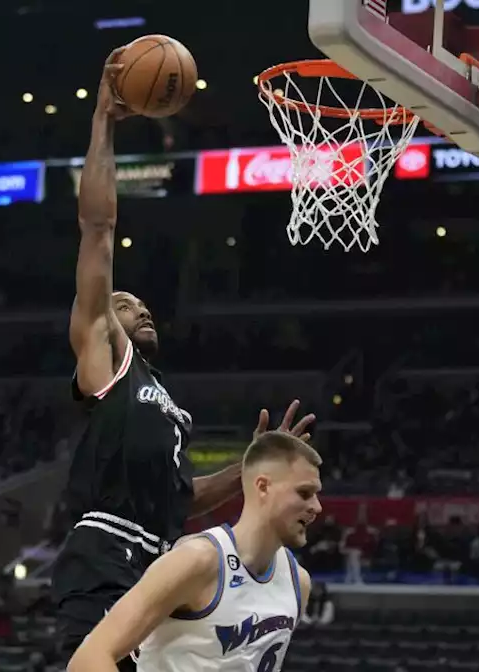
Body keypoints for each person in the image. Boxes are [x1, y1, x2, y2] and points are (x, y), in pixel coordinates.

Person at [55, 48, 314, 669]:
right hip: (106, 555)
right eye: (124, 303)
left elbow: (179, 499)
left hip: (160, 558)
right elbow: (97, 226)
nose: (138, 307)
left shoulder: (164, 401)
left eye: (143, 304)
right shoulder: (104, 359)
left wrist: (250, 466)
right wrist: (103, 121)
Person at [68, 431, 320, 672]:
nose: (316, 507)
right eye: (304, 493)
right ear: (263, 487)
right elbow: (89, 659)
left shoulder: (299, 583)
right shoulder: (196, 561)